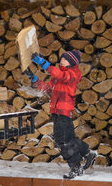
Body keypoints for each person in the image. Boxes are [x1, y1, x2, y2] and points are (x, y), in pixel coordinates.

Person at [29, 50, 96, 179]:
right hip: (57, 113)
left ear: (71, 62)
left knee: (63, 142)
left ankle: (76, 169)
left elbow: (61, 75)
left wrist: (43, 63)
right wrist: (35, 79)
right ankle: (87, 154)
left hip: (64, 112)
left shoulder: (72, 75)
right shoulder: (58, 77)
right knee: (68, 139)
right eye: (62, 58)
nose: (62, 60)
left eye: (65, 59)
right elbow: (47, 89)